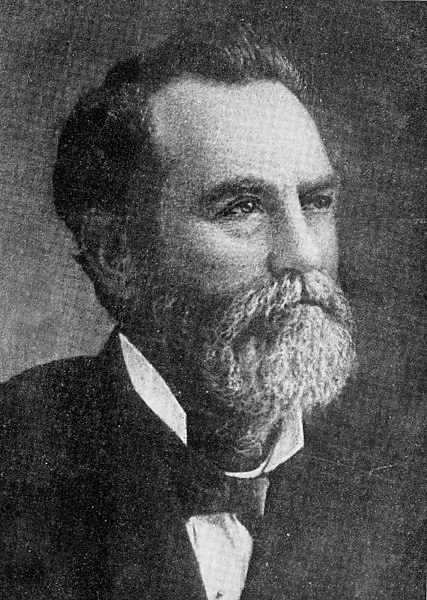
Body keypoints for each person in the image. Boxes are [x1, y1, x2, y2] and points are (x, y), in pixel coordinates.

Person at [1, 21, 423, 599]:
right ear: (117, 253)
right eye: (242, 207)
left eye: (316, 202)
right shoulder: (16, 456)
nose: (304, 255)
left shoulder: (402, 479)